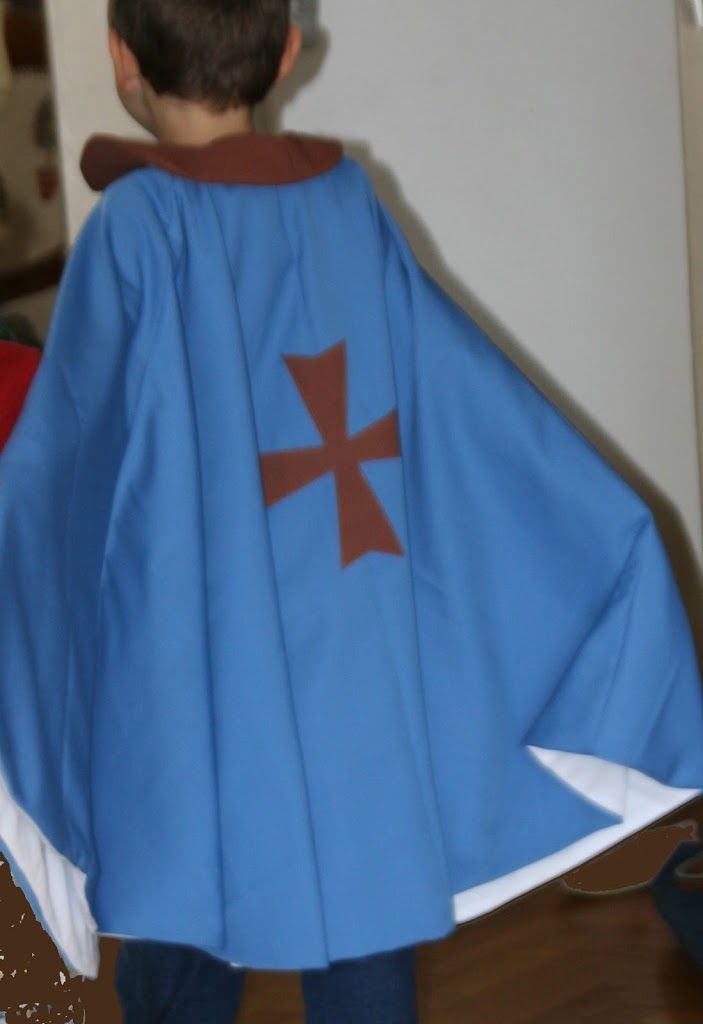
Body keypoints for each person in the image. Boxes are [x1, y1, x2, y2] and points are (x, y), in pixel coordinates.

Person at [1, 2, 703, 1022]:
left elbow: (66, 459)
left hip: (197, 678)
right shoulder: (343, 205)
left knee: (187, 915)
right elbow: (467, 403)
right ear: (287, 50)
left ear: (121, 59)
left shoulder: (137, 234)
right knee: (366, 920)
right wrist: (599, 527)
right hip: (354, 670)